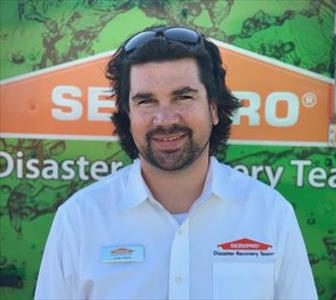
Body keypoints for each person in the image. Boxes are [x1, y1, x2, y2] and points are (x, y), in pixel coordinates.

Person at [35, 26, 318, 300]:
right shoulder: (79, 220)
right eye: (146, 101)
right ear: (128, 115)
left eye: (182, 97)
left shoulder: (270, 214)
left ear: (214, 109)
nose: (165, 119)